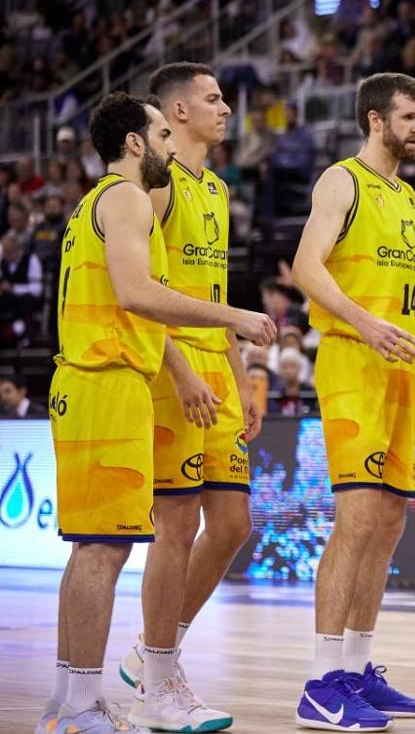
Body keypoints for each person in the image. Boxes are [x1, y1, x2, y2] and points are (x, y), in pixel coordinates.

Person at [41, 91, 274, 734]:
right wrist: (234, 317)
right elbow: (138, 293)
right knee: (104, 550)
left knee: (95, 548)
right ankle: (87, 703)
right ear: (138, 142)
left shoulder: (102, 202)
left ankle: (69, 702)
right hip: (107, 380)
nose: (170, 145)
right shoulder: (125, 198)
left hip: (94, 381)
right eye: (161, 136)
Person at [110, 62, 262, 732]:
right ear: (175, 113)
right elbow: (143, 296)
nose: (225, 108)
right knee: (175, 527)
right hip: (173, 372)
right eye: (212, 99)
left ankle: (151, 654)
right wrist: (181, 373)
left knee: (232, 525)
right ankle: (160, 680)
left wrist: (237, 372)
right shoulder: (157, 187)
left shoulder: (219, 189)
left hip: (215, 371)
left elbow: (215, 299)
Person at [290, 73, 415, 731]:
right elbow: (306, 266)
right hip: (354, 360)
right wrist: (363, 323)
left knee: (390, 522)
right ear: (376, 121)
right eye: (408, 117)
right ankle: (322, 683)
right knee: (355, 519)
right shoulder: (341, 180)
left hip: (404, 369)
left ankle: (355, 668)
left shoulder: (407, 197)